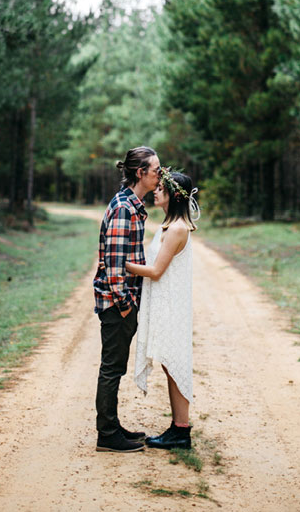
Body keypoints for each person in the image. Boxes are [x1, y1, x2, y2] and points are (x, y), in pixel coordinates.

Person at [93, 145, 161, 453]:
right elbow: (114, 263)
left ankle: (113, 426)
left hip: (123, 301)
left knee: (115, 365)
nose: (160, 174)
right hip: (117, 303)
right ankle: (107, 434)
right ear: (140, 173)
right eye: (156, 170)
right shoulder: (123, 209)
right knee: (112, 367)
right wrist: (124, 305)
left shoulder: (132, 206)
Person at [126, 167, 199, 450]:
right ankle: (178, 428)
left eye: (161, 188)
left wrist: (122, 266)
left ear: (172, 196)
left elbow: (156, 271)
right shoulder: (170, 225)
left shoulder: (178, 229)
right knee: (170, 364)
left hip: (171, 306)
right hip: (165, 303)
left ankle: (181, 430)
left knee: (174, 364)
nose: (156, 190)